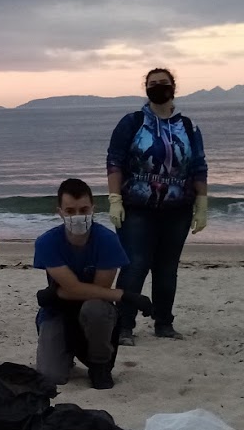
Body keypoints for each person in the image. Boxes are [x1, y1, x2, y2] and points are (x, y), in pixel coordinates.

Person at [106, 67, 208, 344]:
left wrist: (202, 201)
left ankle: (164, 322)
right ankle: (124, 325)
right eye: (153, 84)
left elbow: (198, 165)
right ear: (145, 88)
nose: (158, 87)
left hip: (178, 209)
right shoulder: (132, 122)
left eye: (163, 83)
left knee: (167, 267)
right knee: (135, 265)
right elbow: (114, 161)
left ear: (174, 86)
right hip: (137, 207)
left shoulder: (188, 126)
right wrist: (115, 199)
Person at [32, 178, 152, 390]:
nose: (77, 216)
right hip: (57, 312)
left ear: (93, 209)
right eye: (70, 211)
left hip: (95, 314)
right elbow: (75, 289)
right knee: (51, 376)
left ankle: (99, 365)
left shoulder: (107, 240)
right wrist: (124, 295)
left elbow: (98, 293)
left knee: (95, 307)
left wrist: (57, 293)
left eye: (83, 209)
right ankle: (64, 352)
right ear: (59, 212)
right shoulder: (46, 242)